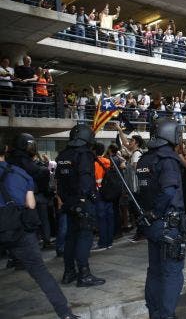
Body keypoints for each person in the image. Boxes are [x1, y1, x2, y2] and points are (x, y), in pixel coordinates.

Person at [0, 134, 80, 319]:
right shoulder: (21, 173)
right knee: (41, 272)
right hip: (18, 228)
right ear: (5, 150)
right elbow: (31, 204)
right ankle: (65, 313)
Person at [136, 118, 186, 319]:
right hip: (167, 224)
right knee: (172, 274)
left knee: (155, 271)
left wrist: (150, 215)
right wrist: (157, 212)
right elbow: (168, 191)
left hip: (153, 225)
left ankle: (155, 313)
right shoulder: (168, 159)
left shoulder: (144, 160)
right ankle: (166, 315)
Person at [55, 125, 105, 287]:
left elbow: (59, 181)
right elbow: (85, 179)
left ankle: (69, 272)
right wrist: (84, 200)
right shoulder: (84, 154)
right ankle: (84, 275)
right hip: (82, 203)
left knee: (71, 237)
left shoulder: (63, 154)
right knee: (85, 236)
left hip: (68, 202)